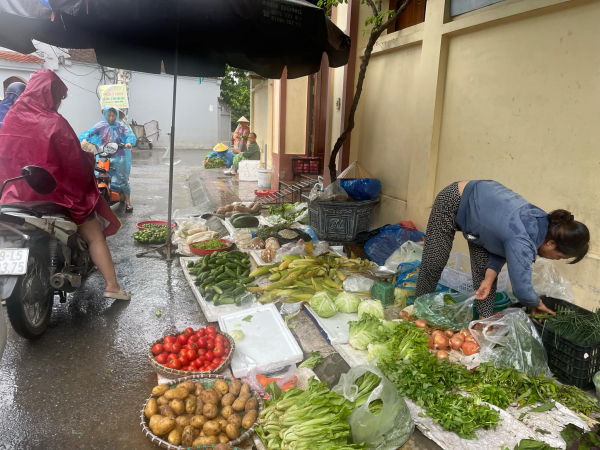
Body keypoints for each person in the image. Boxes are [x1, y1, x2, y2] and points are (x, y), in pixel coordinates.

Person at [0, 69, 130, 300]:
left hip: (13, 195)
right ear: (50, 94)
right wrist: (89, 159)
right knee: (94, 234)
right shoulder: (54, 122)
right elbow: (74, 163)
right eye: (59, 97)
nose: (59, 103)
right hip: (54, 197)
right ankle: (112, 286)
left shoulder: (10, 118)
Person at [414, 180, 589, 318]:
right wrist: (536, 303)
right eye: (558, 256)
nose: (554, 259)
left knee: (486, 278)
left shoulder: (542, 226)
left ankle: (483, 325)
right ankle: (417, 311)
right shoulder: (525, 236)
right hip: (455, 199)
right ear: (551, 243)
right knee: (434, 262)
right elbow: (522, 290)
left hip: (480, 220)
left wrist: (489, 278)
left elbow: (505, 245)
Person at [79, 106, 137, 213]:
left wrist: (129, 142)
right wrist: (84, 139)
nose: (111, 117)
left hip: (120, 156)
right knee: (99, 177)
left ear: (117, 116)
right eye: (109, 115)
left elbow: (130, 135)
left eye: (113, 115)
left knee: (123, 179)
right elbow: (89, 132)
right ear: (105, 115)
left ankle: (128, 202)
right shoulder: (100, 125)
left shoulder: (122, 126)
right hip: (103, 155)